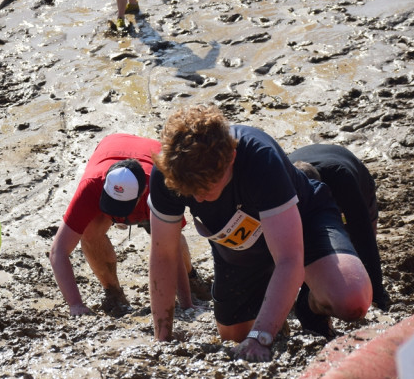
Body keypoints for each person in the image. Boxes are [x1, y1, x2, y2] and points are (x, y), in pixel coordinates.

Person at [147, 105, 372, 363]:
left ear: (231, 158)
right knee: (234, 338)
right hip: (240, 247)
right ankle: (276, 312)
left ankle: (307, 305)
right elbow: (163, 254)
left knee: (352, 301)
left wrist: (261, 337)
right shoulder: (169, 172)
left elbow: (289, 259)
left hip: (303, 222)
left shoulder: (260, 158)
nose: (198, 198)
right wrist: (161, 339)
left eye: (206, 189)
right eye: (190, 191)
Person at [49, 134, 196, 317]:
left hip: (152, 158)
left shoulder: (160, 186)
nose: (118, 215)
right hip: (112, 146)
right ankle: (113, 292)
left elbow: (171, 248)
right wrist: (75, 305)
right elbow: (58, 251)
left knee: (167, 238)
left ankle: (192, 280)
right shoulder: (92, 185)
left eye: (123, 208)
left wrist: (186, 304)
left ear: (142, 193)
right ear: (105, 187)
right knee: (89, 231)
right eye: (112, 205)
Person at [289, 144, 390, 310]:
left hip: (356, 178)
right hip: (300, 171)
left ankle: (372, 289)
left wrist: (378, 295)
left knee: (356, 238)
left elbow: (364, 237)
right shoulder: (278, 184)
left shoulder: (341, 179)